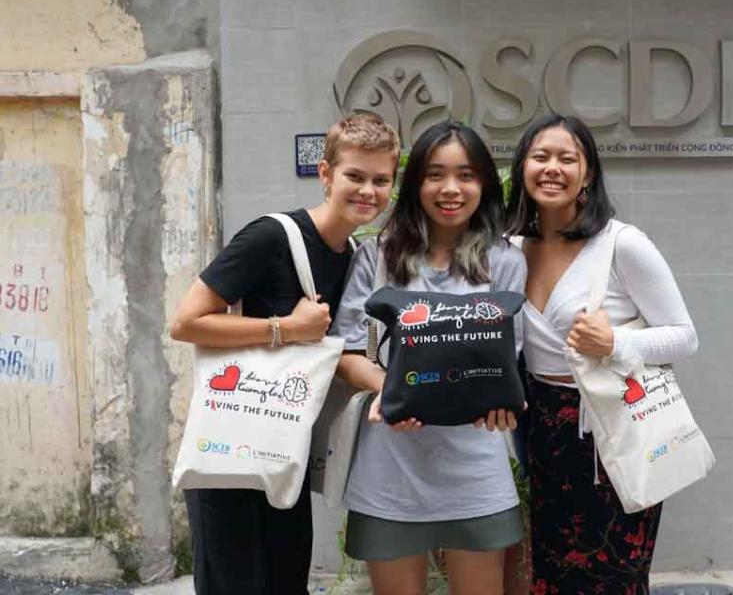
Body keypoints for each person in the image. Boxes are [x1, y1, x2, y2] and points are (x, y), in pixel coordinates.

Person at [168, 113, 400, 595]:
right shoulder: (271, 237)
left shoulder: (358, 256)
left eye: (381, 180)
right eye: (355, 176)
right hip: (230, 448)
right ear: (325, 174)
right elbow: (186, 322)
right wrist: (285, 328)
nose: (368, 191)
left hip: (286, 444)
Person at [506, 114, 699, 595]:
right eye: (540, 156)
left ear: (588, 173)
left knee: (614, 577)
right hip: (545, 435)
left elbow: (684, 336)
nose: (552, 168)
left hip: (613, 431)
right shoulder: (509, 249)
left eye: (567, 158)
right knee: (550, 573)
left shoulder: (621, 244)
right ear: (522, 167)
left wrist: (616, 343)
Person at [332, 120, 526, 595]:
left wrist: (501, 402)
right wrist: (390, 390)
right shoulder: (377, 256)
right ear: (415, 182)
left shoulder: (503, 261)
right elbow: (348, 352)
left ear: (483, 182)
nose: (451, 189)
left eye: (466, 175)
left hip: (475, 464)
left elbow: (507, 356)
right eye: (435, 174)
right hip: (391, 465)